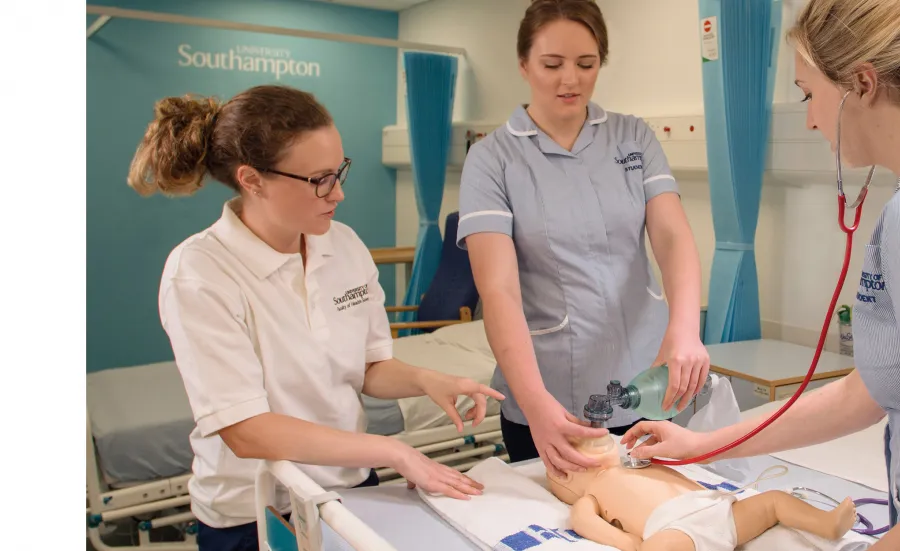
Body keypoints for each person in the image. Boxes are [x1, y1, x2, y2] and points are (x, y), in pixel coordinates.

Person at [126, 84, 504, 551]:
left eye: (340, 171)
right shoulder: (201, 272)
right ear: (252, 180)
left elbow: (367, 367)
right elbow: (247, 431)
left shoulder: (343, 246)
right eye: (320, 179)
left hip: (347, 491)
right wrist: (392, 450)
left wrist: (428, 379)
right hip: (253, 514)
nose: (339, 193)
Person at [621, 0, 900, 548]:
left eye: (807, 93)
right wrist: (699, 444)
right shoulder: (892, 218)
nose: (811, 118)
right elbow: (867, 391)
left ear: (862, 84)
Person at [456, 0, 709, 479]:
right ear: (524, 64)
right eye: (552, 65)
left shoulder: (633, 138)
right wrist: (533, 404)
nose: (569, 79)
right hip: (550, 397)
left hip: (651, 383)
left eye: (586, 64)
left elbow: (673, 237)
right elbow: (499, 290)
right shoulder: (492, 159)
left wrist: (685, 329)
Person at [547, 434, 856, 551]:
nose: (585, 430)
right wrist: (627, 542)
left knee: (773, 501)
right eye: (574, 443)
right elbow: (582, 521)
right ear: (566, 480)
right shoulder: (592, 494)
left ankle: (826, 523)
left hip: (718, 509)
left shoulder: (635, 462)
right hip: (675, 528)